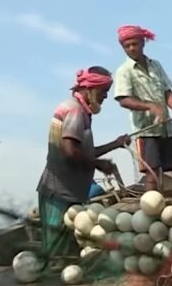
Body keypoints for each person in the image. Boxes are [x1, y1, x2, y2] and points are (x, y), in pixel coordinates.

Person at [36, 67, 129, 259]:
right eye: (103, 91)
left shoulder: (81, 112)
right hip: (59, 193)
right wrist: (98, 164)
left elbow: (82, 151)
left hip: (67, 193)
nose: (105, 96)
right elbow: (70, 151)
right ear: (91, 89)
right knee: (57, 252)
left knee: (65, 251)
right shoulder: (75, 111)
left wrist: (115, 144)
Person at [113, 25, 172, 212]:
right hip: (146, 131)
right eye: (127, 46)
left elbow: (166, 91)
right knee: (151, 173)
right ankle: (150, 216)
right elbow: (123, 100)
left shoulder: (155, 65)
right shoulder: (124, 71)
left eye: (134, 44)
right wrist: (149, 106)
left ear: (143, 42)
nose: (131, 48)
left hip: (166, 129)